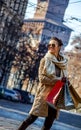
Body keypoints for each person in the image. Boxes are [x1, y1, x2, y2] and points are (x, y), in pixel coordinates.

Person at [17, 37, 68, 130]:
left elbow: (63, 79)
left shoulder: (63, 63)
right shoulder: (45, 60)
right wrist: (58, 80)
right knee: (31, 118)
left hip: (55, 96)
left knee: (48, 123)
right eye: (49, 45)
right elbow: (42, 78)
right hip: (44, 95)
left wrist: (65, 82)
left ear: (59, 47)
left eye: (53, 45)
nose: (51, 46)